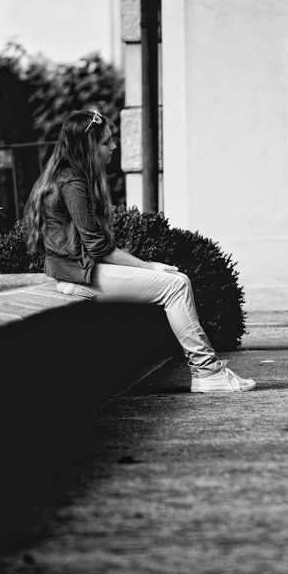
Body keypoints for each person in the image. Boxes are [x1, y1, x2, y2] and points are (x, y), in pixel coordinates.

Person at [22, 109, 255, 392]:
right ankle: (207, 372)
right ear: (88, 146)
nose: (114, 147)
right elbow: (99, 247)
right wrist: (150, 266)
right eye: (106, 142)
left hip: (78, 272)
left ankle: (207, 371)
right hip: (78, 277)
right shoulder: (72, 182)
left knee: (177, 281)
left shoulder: (68, 176)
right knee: (175, 286)